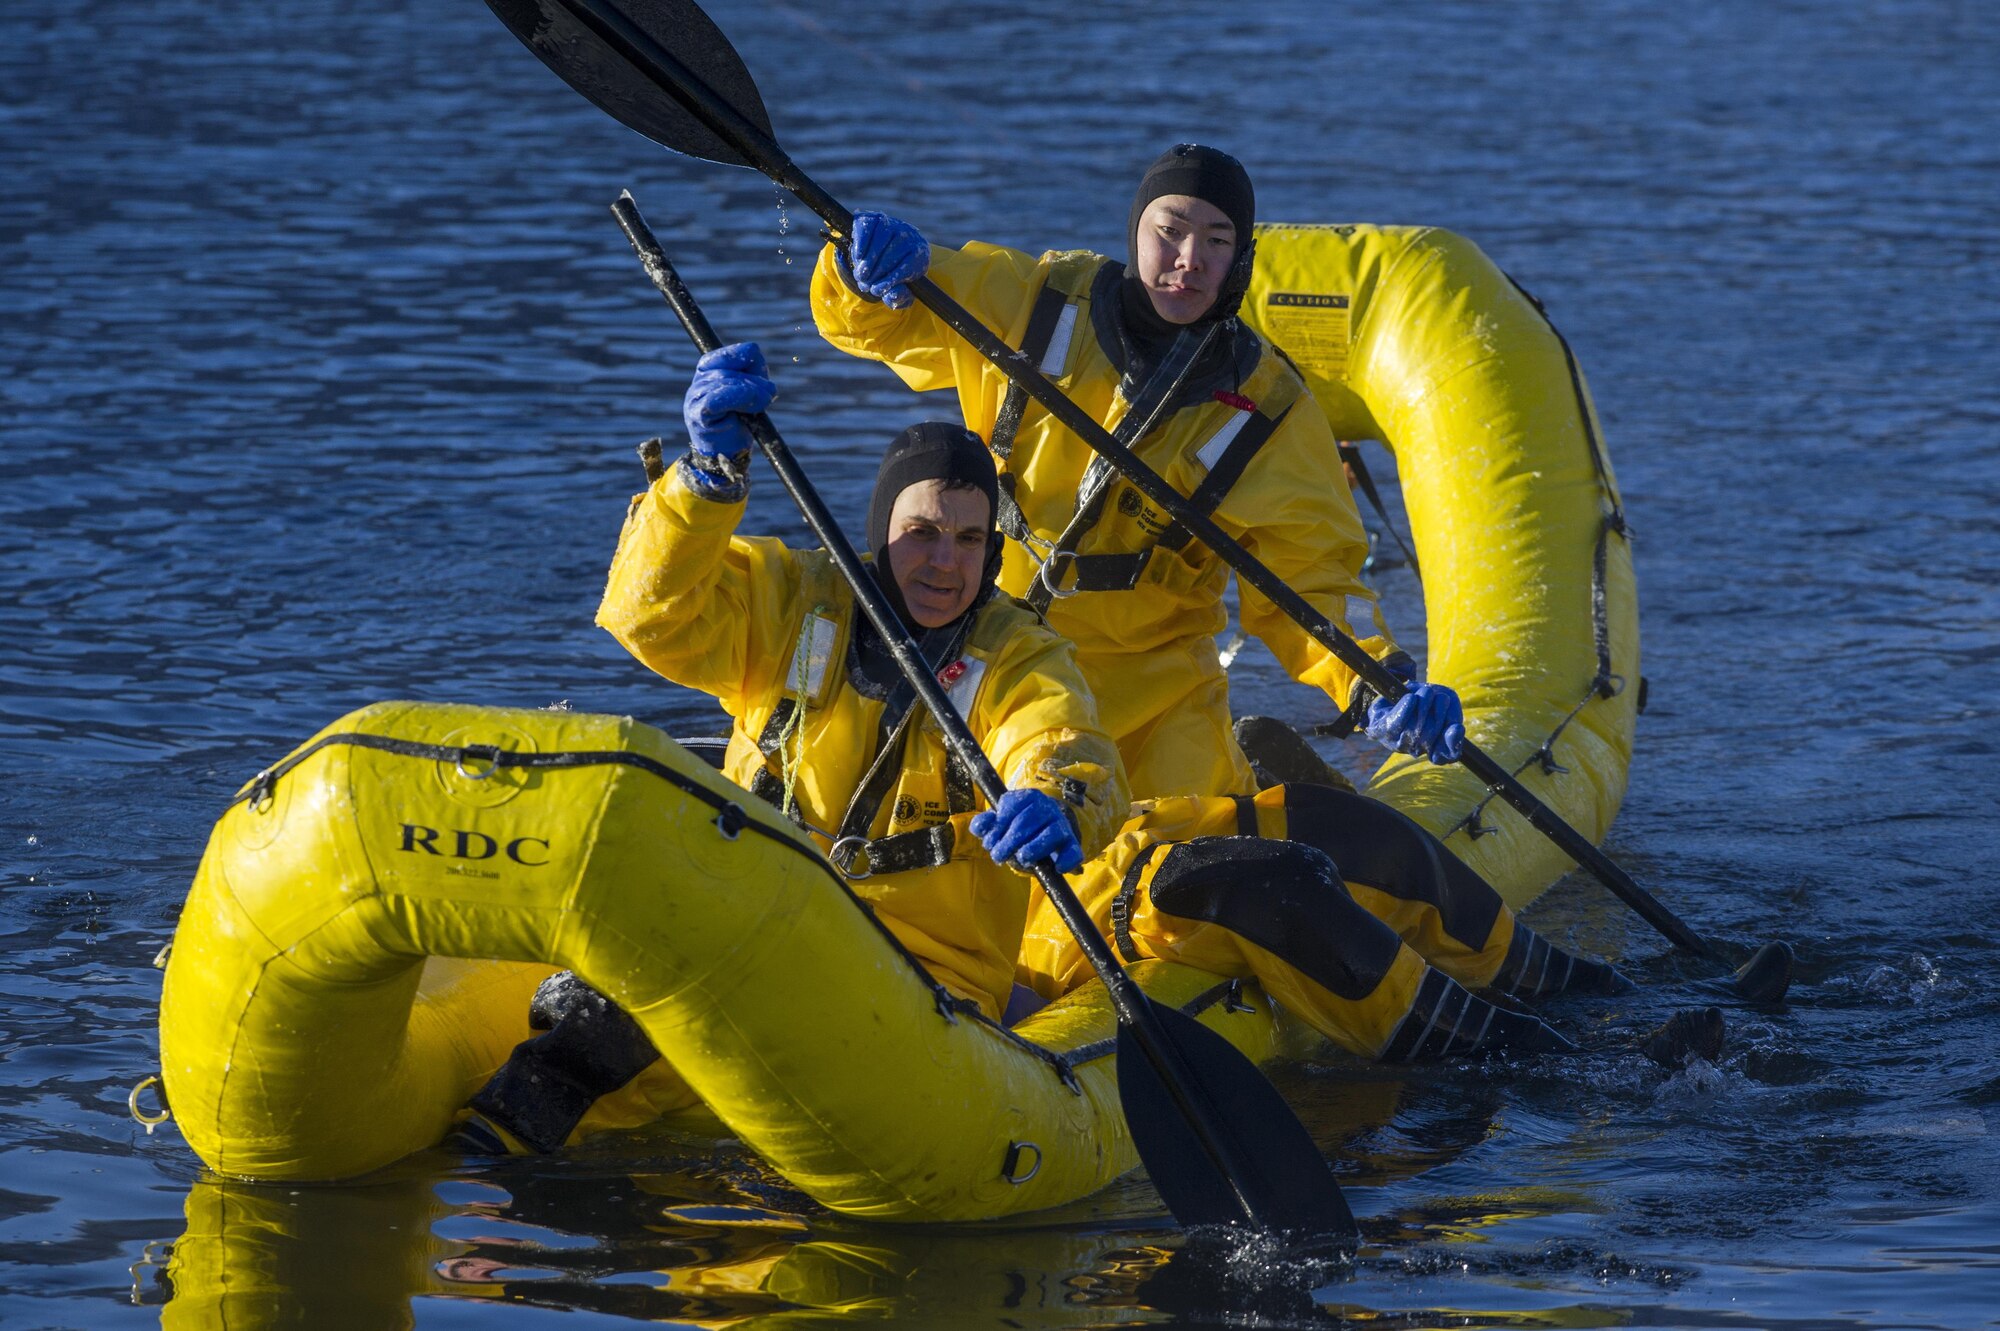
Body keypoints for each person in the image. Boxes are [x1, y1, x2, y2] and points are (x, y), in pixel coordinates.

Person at [456, 343, 1131, 1154]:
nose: (944, 561)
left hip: (924, 973)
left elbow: (1061, 736)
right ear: (881, 532)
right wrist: (704, 485)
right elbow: (650, 617)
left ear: (992, 550)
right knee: (615, 1010)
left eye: (967, 538)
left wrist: (1056, 797)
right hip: (753, 914)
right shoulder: (795, 596)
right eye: (920, 533)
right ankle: (497, 1152)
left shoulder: (1017, 656)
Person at [810, 143, 1466, 802]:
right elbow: (887, 323)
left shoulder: (1270, 409)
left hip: (1159, 702)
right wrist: (856, 274)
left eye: (1216, 240)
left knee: (1190, 862)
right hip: (993, 656)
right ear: (1136, 231)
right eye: (1170, 231)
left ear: (1239, 259)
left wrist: (1376, 677)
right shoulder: (1039, 304)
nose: (1189, 259)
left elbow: (1315, 577)